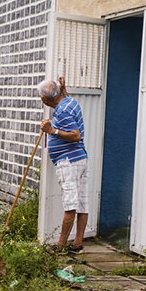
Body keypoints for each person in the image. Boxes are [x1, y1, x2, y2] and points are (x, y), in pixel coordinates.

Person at [39, 76, 88, 252]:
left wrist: (52, 131)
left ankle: (60, 246)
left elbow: (76, 135)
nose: (41, 100)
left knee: (71, 203)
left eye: (41, 97)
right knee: (82, 201)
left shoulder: (62, 111)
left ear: (46, 99)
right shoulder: (69, 101)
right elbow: (65, 98)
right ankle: (77, 243)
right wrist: (64, 89)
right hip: (79, 159)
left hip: (69, 161)